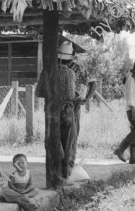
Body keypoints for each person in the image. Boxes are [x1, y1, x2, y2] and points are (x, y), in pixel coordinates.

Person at [35, 37, 96, 180]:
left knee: (53, 139)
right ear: (72, 56)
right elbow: (92, 85)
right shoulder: (75, 70)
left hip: (51, 109)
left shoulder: (48, 70)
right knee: (70, 141)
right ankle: (66, 171)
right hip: (71, 108)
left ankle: (55, 169)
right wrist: (85, 99)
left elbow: (39, 92)